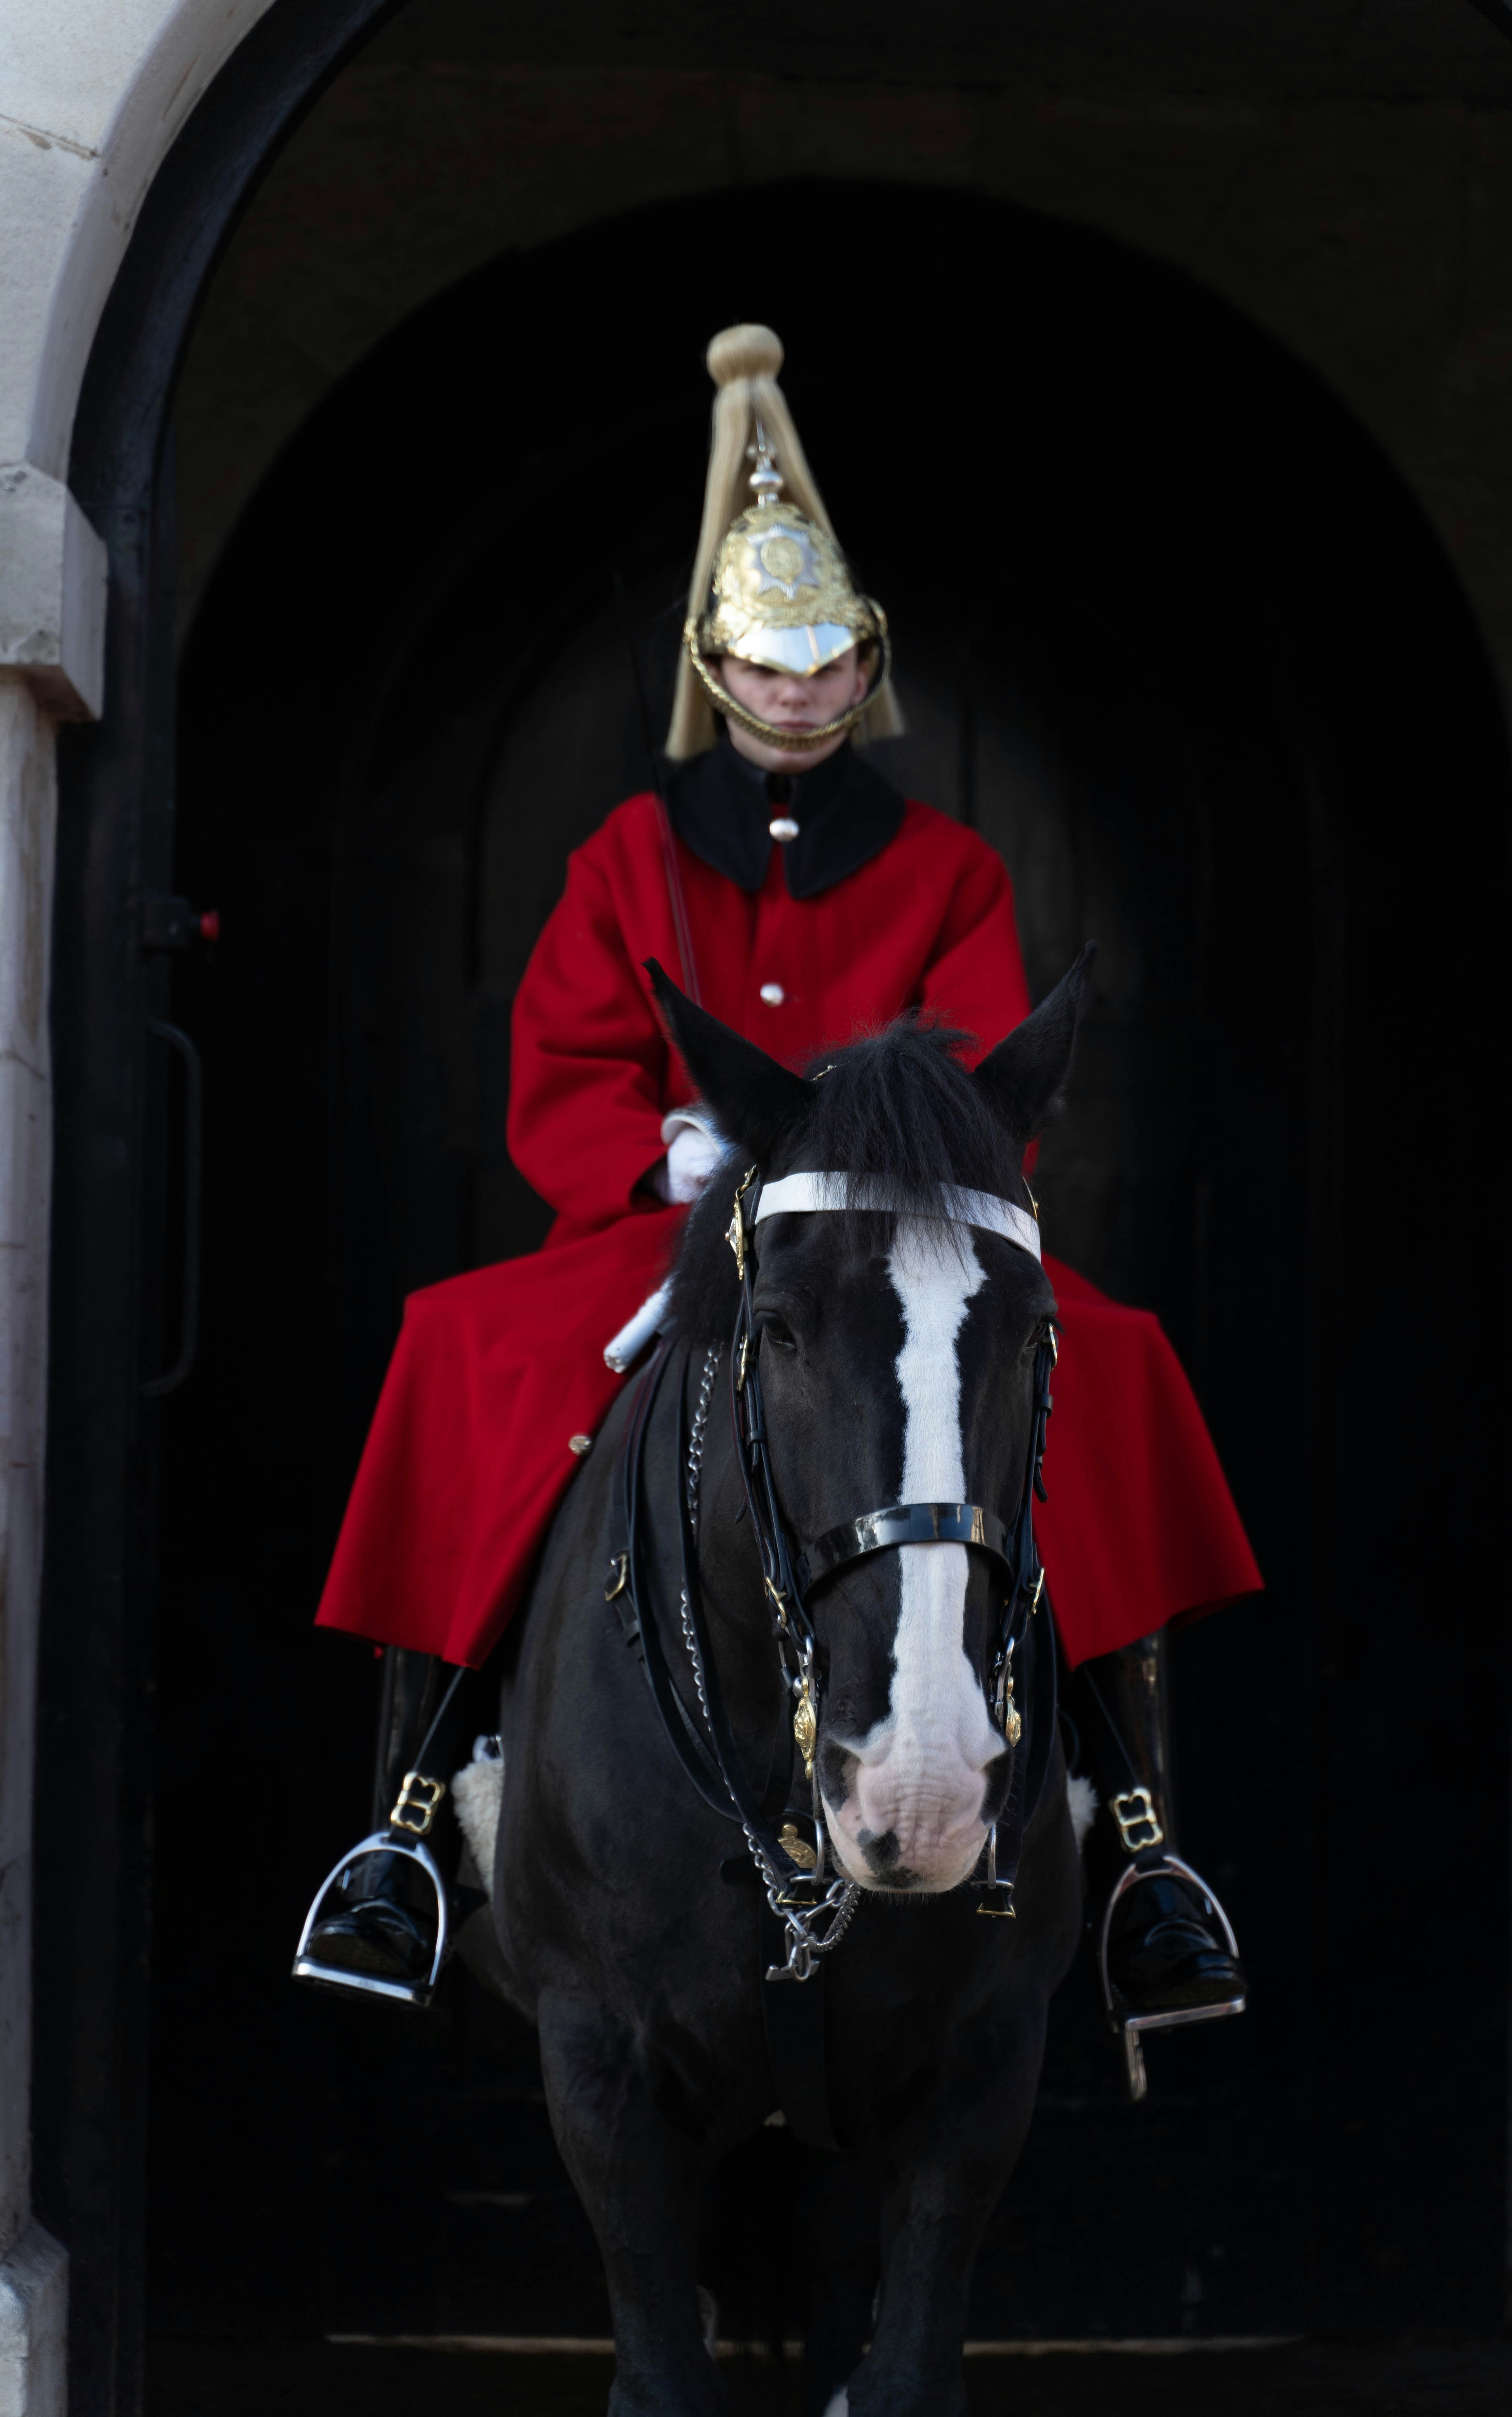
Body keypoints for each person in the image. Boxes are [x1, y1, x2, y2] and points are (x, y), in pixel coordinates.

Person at [297, 325, 1261, 2064]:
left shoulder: (955, 866)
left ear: (866, 671)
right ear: (716, 670)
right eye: (768, 663)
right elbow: (562, 1071)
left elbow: (978, 1089)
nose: (800, 692)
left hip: (900, 1242)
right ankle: (409, 1818)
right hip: (659, 1221)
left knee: (1105, 1369)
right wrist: (660, 1154)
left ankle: (1136, 1850)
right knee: (463, 1348)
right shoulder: (625, 857)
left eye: (827, 665)